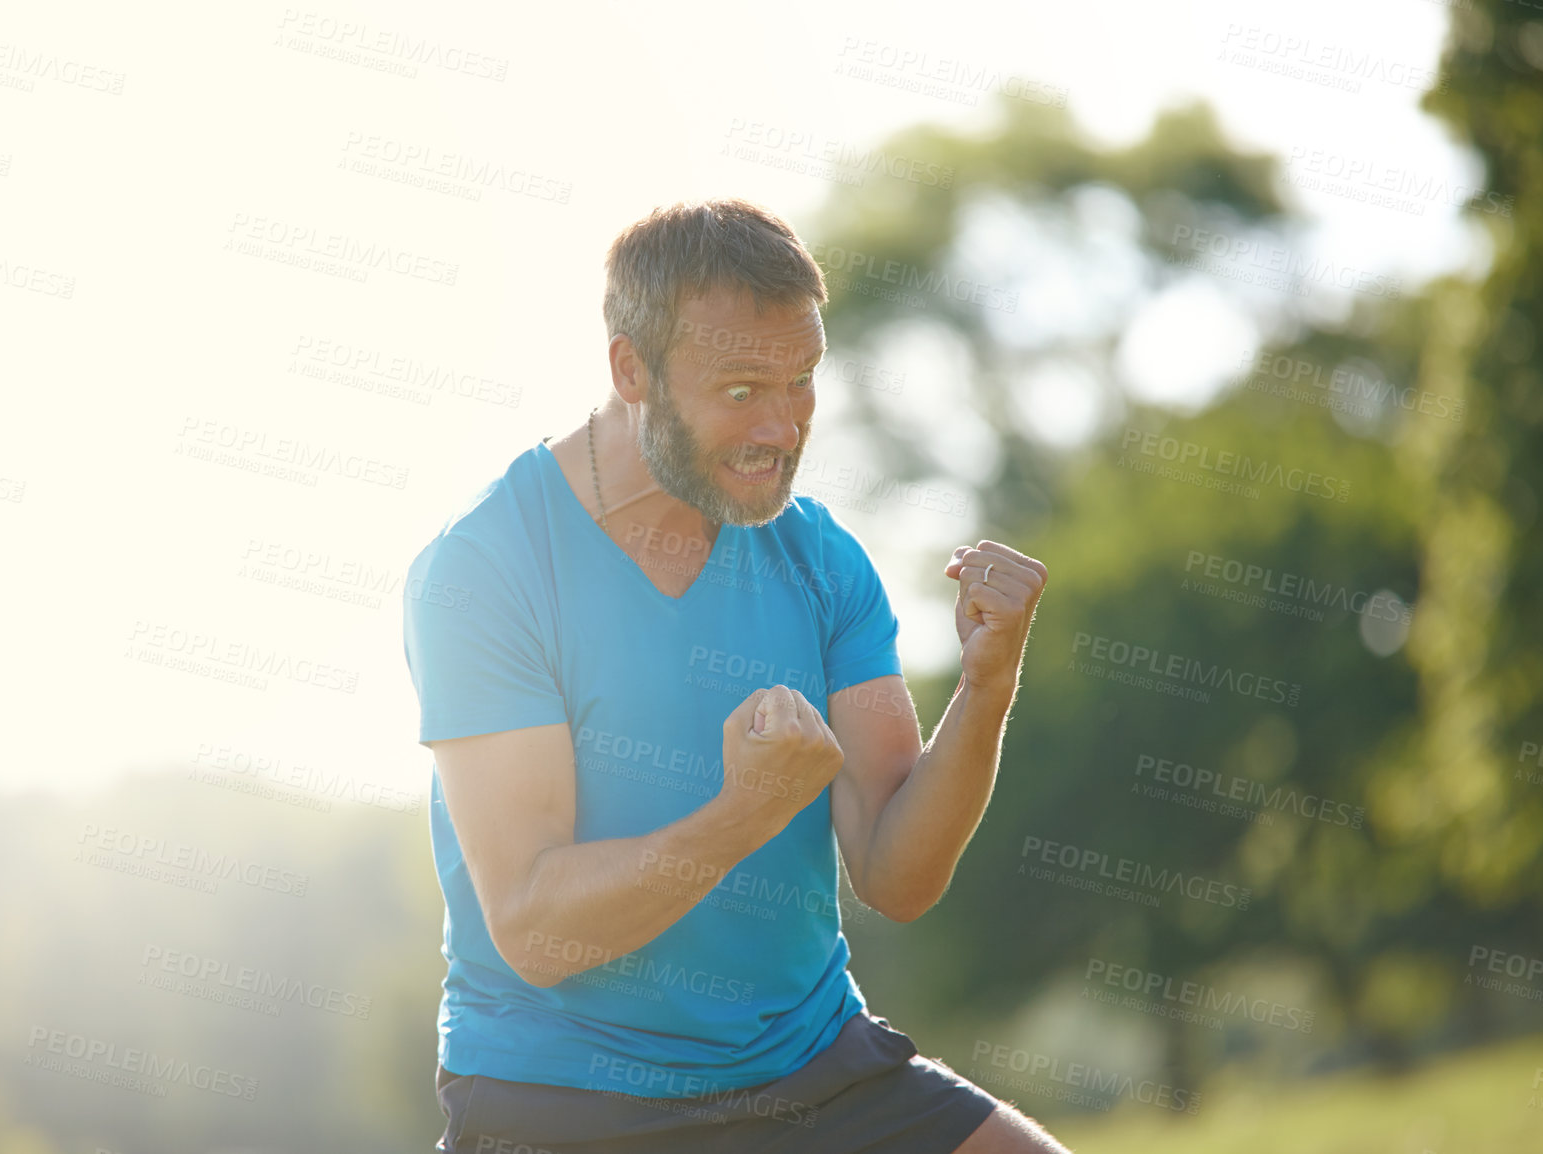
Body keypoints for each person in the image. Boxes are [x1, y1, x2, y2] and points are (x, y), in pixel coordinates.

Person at [402, 198, 1063, 1153]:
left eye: (802, 382)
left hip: (810, 1068)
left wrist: (987, 688)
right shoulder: (488, 566)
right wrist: (743, 813)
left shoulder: (823, 562)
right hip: (564, 1098)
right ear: (632, 369)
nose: (784, 427)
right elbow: (536, 929)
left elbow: (896, 873)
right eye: (743, 390)